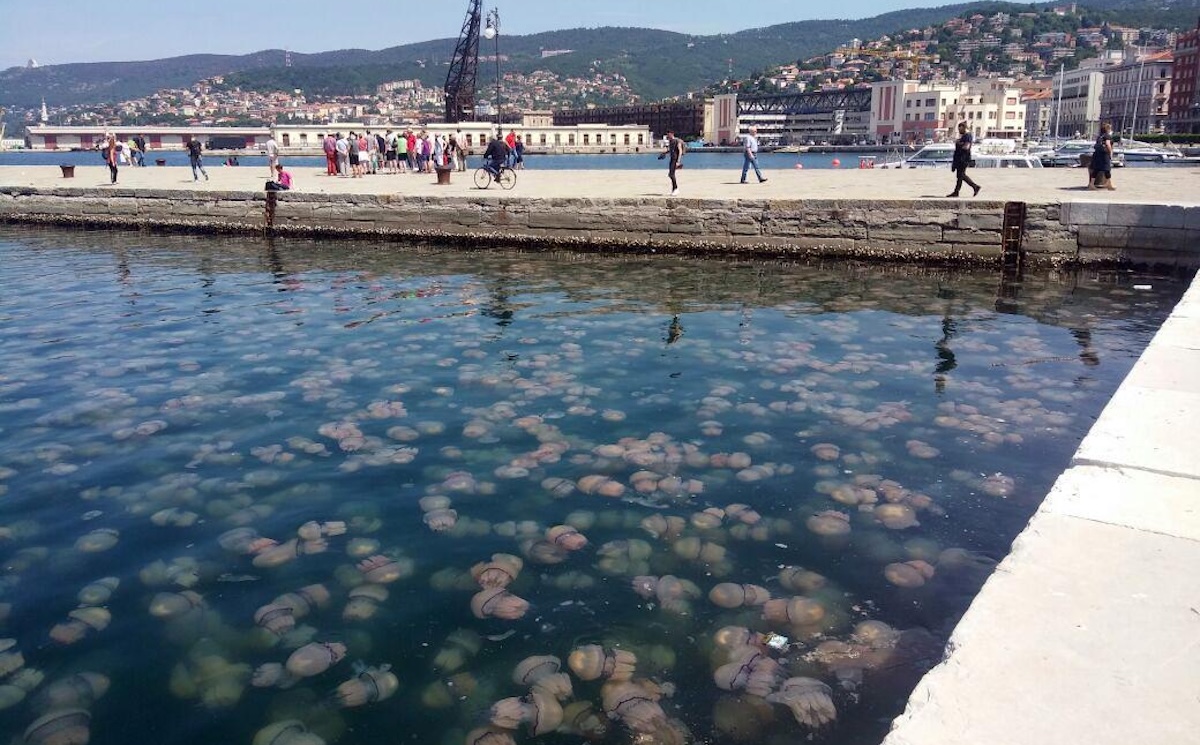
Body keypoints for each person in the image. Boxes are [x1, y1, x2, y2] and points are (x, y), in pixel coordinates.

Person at [947, 121, 980, 198]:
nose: (959, 131)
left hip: (963, 159)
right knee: (959, 176)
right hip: (960, 158)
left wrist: (958, 143)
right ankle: (956, 192)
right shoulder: (964, 136)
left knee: (961, 175)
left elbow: (966, 147)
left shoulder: (968, 136)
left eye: (960, 129)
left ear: (964, 128)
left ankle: (975, 187)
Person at [658, 130, 685, 196]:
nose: (667, 136)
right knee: (670, 174)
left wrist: (678, 161)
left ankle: (676, 189)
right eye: (667, 135)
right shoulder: (671, 141)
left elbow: (680, 151)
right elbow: (671, 150)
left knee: (671, 174)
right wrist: (664, 153)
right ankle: (674, 190)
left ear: (672, 134)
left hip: (675, 159)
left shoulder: (677, 141)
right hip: (672, 159)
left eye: (668, 134)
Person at [1090, 122, 1115, 191]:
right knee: (1107, 169)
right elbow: (1108, 144)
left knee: (1096, 169)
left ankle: (1093, 184)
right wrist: (1110, 153)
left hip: (1097, 154)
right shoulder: (1107, 136)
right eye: (1110, 129)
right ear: (1107, 129)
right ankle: (1108, 185)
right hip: (1104, 155)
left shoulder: (1100, 136)